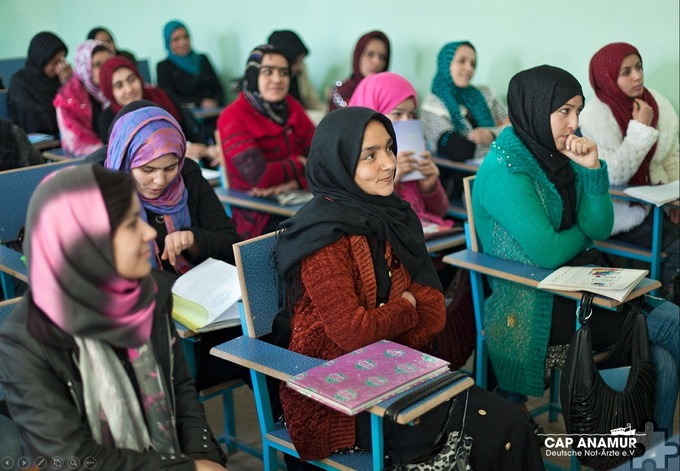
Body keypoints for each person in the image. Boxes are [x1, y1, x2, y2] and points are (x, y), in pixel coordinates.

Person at [275, 106, 545, 470]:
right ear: (339, 163)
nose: (388, 164)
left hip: (401, 370)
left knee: (513, 424)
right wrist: (404, 308)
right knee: (498, 432)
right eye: (370, 155)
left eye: (389, 148)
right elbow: (352, 332)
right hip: (337, 396)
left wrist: (389, 324)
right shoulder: (323, 237)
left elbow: (434, 313)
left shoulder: (395, 216)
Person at [472, 65, 679, 433]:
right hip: (536, 302)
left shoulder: (557, 155)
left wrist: (591, 169)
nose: (573, 122)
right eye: (563, 111)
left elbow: (599, 228)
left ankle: (653, 452)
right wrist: (582, 234)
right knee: (672, 323)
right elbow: (548, 252)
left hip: (582, 285)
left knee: (662, 361)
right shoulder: (506, 169)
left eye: (578, 111)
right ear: (534, 109)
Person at [0, 164, 228, 470]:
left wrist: (205, 456)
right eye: (132, 223)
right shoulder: (25, 340)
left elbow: (180, 390)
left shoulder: (152, 293)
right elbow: (70, 457)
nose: (149, 232)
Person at [104, 105, 243, 390]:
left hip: (204, 315)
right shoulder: (106, 194)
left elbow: (230, 242)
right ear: (124, 159)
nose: (160, 180)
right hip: (145, 327)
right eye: (147, 169)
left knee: (261, 333)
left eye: (170, 168)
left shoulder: (188, 176)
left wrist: (193, 238)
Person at [579, 42, 679, 297]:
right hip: (620, 212)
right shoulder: (593, 115)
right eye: (626, 72)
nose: (637, 76)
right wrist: (639, 129)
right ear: (607, 77)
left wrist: (676, 200)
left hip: (660, 206)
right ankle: (668, 308)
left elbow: (671, 157)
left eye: (639, 67)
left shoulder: (658, 103)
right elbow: (614, 175)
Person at [217, 44, 315, 239]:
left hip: (302, 201)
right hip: (258, 216)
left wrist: (292, 184)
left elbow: (324, 161)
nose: (277, 80)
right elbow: (259, 177)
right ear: (253, 75)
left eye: (284, 73)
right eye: (268, 72)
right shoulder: (232, 117)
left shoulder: (293, 107)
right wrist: (299, 163)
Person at [348, 71, 452, 235]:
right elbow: (361, 217)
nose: (407, 121)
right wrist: (391, 180)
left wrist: (430, 187)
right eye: (397, 114)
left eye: (411, 114)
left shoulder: (413, 150)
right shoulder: (356, 158)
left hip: (422, 239)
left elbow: (440, 211)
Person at [421, 41, 508, 198]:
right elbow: (458, 149)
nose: (469, 69)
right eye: (461, 61)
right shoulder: (433, 105)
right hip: (456, 184)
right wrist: (501, 141)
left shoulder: (485, 94)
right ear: (445, 64)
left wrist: (491, 135)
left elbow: (516, 127)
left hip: (496, 171)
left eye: (473, 64)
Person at [97, 55, 219, 165]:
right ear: (110, 91)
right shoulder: (109, 119)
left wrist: (207, 150)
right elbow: (122, 159)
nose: (129, 89)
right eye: (119, 86)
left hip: (190, 164)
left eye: (132, 79)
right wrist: (177, 151)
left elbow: (190, 131)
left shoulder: (161, 97)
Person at [53, 39, 114, 156]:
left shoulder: (119, 89)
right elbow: (76, 144)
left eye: (108, 62)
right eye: (97, 65)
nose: (105, 68)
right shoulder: (69, 97)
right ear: (85, 66)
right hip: (89, 162)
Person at [7, 31, 72, 135]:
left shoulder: (61, 80)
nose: (60, 67)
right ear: (41, 60)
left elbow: (80, 114)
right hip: (38, 142)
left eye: (62, 61)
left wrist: (69, 86)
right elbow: (35, 122)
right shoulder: (20, 82)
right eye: (55, 62)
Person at [157, 20, 225, 109]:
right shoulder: (164, 67)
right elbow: (170, 98)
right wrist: (200, 102)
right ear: (168, 43)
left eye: (186, 37)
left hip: (213, 111)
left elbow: (217, 87)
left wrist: (215, 101)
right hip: (186, 117)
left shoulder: (202, 59)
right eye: (176, 39)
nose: (183, 42)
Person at [328, 30, 390, 111]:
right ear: (358, 56)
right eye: (370, 54)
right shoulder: (341, 92)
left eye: (382, 57)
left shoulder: (389, 94)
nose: (377, 62)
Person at [267, 30, 324, 111]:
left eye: (301, 61)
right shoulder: (268, 81)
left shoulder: (300, 70)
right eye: (296, 62)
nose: (300, 67)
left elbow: (312, 101)